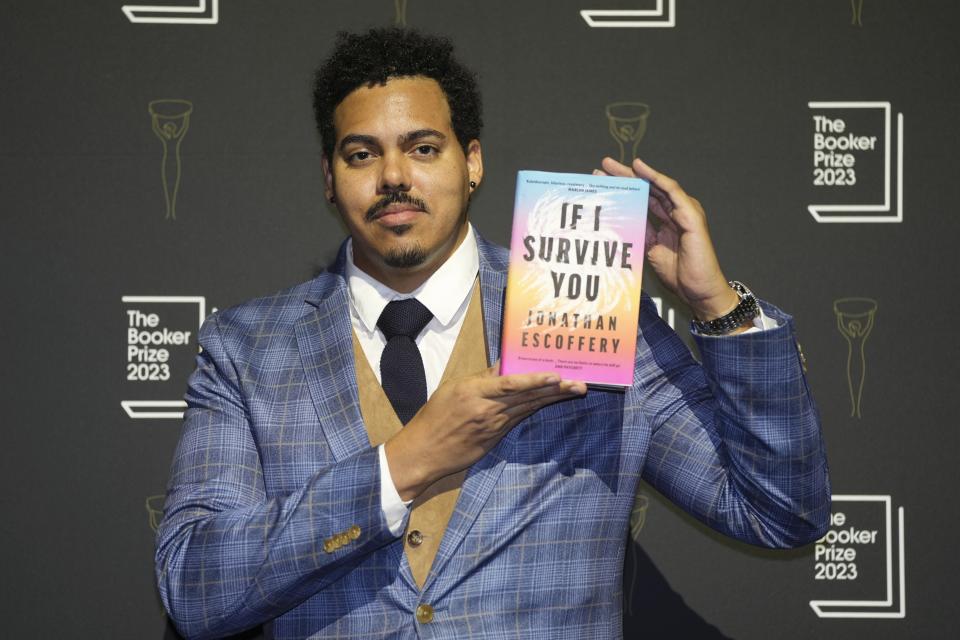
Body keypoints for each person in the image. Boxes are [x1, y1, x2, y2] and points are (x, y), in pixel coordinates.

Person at [155, 27, 830, 639]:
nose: (394, 177)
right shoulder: (246, 349)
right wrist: (402, 464)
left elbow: (776, 513)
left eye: (423, 148)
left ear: (471, 162)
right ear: (330, 180)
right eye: (362, 155)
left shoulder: (589, 302)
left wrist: (718, 306)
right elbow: (196, 586)